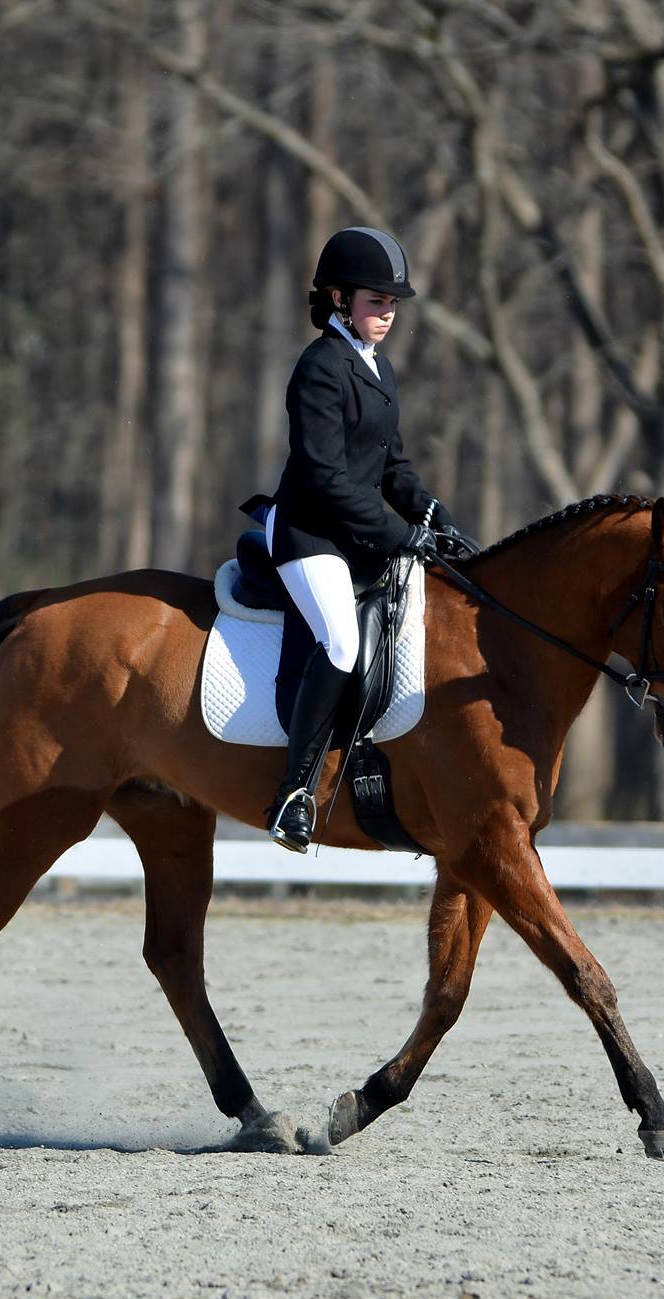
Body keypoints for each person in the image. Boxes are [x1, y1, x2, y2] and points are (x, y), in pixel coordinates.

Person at [249, 226, 473, 853]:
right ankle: (294, 794)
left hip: (355, 533)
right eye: (377, 302)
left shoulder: (379, 368)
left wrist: (432, 513)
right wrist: (400, 536)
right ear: (340, 299)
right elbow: (323, 480)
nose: (388, 314)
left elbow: (392, 466)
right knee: (343, 641)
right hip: (309, 533)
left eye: (393, 304)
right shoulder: (320, 367)